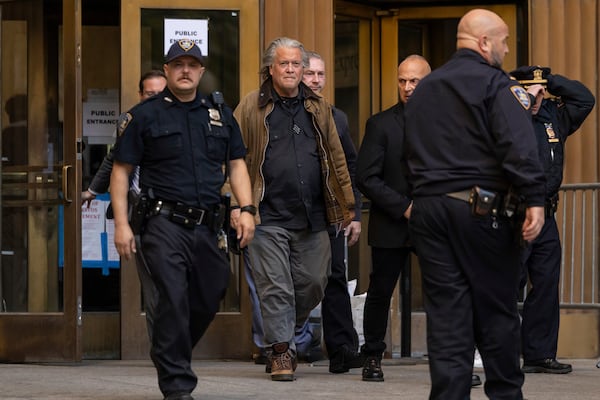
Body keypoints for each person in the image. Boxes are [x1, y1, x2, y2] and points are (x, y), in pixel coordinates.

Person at [403, 9, 546, 400]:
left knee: (447, 316)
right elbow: (518, 146)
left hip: (429, 210)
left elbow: (408, 150)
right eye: (502, 41)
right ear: (483, 42)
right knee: (497, 310)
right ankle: (504, 394)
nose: (505, 48)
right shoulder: (496, 84)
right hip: (480, 211)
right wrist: (534, 198)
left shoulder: (425, 89)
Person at [110, 39, 255, 400]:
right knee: (173, 296)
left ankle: (167, 348)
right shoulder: (144, 115)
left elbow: (236, 163)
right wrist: (122, 224)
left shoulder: (218, 114)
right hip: (163, 223)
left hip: (207, 224)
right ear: (167, 70)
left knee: (213, 289)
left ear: (201, 71)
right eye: (178, 65)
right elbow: (121, 171)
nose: (186, 70)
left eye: (192, 65)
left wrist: (247, 208)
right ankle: (177, 385)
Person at [233, 37, 355, 382]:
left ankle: (284, 326)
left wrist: (347, 206)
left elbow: (338, 160)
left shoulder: (319, 108)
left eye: (296, 64)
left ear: (303, 69)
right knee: (276, 287)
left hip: (314, 215)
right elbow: (232, 159)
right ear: (270, 69)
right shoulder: (250, 106)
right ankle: (282, 352)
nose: (291, 70)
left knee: (315, 281)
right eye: (284, 64)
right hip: (265, 214)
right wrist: (236, 204)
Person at [510, 65, 595, 374]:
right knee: (508, 283)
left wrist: (550, 81)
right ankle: (501, 352)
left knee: (545, 283)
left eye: (540, 90)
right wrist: (520, 100)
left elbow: (585, 100)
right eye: (530, 89)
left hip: (546, 213)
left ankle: (539, 354)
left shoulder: (552, 115)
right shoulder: (508, 115)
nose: (537, 95)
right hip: (515, 214)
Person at [356, 54, 430, 382]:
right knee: (381, 290)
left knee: (445, 291)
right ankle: (372, 356)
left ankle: (450, 360)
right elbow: (366, 177)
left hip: (434, 222)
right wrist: (405, 207)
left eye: (414, 80)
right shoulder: (381, 123)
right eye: (402, 80)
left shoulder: (446, 122)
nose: (407, 87)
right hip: (391, 220)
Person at [81, 69, 167, 340]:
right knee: (153, 282)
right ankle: (163, 348)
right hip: (141, 211)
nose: (154, 99)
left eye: (160, 94)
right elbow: (115, 161)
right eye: (149, 94)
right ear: (141, 95)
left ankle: (176, 341)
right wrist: (93, 191)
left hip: (175, 212)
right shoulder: (129, 122)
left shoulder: (182, 122)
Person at [302, 51, 364, 373]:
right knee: (294, 280)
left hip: (331, 212)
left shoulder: (336, 117)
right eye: (309, 73)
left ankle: (341, 350)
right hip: (292, 212)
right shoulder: (285, 113)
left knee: (336, 277)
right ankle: (284, 346)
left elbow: (350, 165)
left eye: (320, 74)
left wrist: (354, 213)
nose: (315, 80)